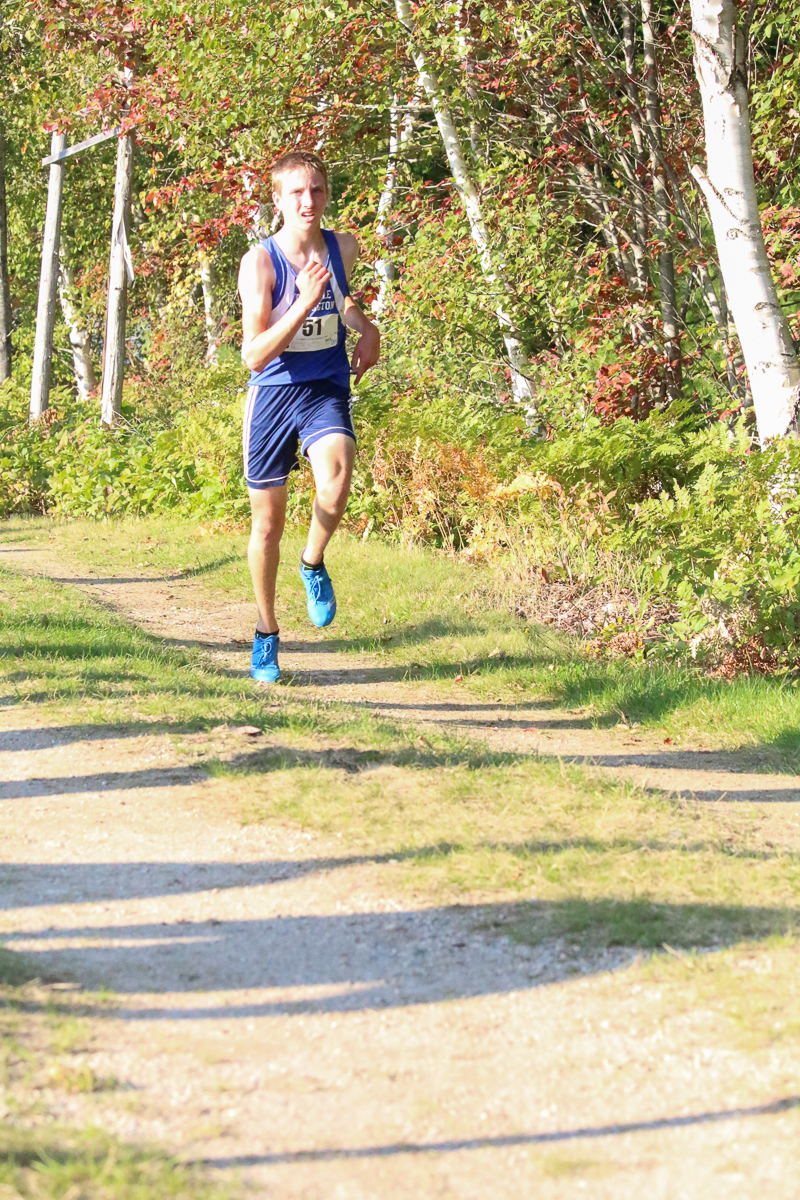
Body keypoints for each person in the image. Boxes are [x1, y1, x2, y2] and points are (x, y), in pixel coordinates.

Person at [238, 151, 381, 682]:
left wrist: (366, 328)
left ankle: (313, 562)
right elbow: (254, 355)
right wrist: (301, 302)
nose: (308, 201)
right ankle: (266, 632)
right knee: (267, 525)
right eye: (296, 192)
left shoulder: (343, 247)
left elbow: (342, 300)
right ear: (277, 199)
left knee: (337, 480)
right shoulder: (260, 262)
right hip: (273, 393)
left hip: (324, 385)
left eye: (317, 190)